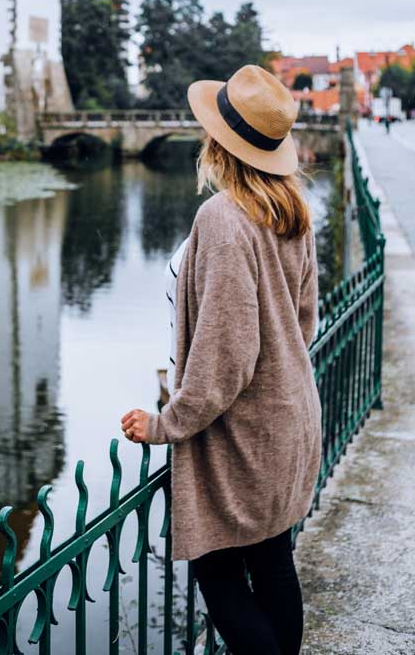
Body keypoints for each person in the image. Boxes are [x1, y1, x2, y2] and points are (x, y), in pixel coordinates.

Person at [121, 63, 322, 655]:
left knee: (217, 571)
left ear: (217, 141)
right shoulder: (292, 207)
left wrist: (165, 424)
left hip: (246, 436)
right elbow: (303, 321)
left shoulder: (224, 219)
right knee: (274, 561)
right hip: (291, 417)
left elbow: (223, 357)